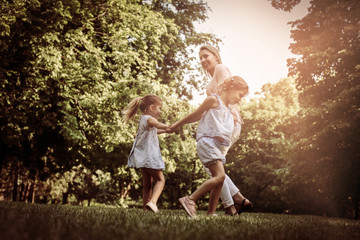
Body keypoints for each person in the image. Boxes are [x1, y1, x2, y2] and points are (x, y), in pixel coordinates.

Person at [169, 76, 249, 217]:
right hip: (207, 142)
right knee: (220, 176)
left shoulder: (228, 109)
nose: (240, 99)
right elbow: (195, 115)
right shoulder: (213, 100)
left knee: (219, 178)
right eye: (240, 95)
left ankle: (211, 212)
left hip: (216, 145)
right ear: (231, 89)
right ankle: (190, 199)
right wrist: (177, 124)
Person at [199, 45, 253, 216]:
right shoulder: (211, 82)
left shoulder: (221, 69)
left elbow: (230, 93)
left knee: (214, 168)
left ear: (216, 56)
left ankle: (233, 203)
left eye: (206, 56)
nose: (203, 60)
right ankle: (237, 201)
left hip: (229, 123)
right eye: (200, 58)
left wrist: (233, 116)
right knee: (214, 168)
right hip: (221, 126)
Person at [123, 94, 168, 213]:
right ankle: (152, 202)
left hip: (142, 157)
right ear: (151, 107)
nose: (160, 111)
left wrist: (167, 130)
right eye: (159, 108)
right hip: (149, 156)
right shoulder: (149, 119)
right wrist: (169, 127)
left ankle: (145, 210)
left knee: (147, 184)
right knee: (160, 180)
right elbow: (157, 125)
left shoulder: (143, 119)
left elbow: (155, 130)